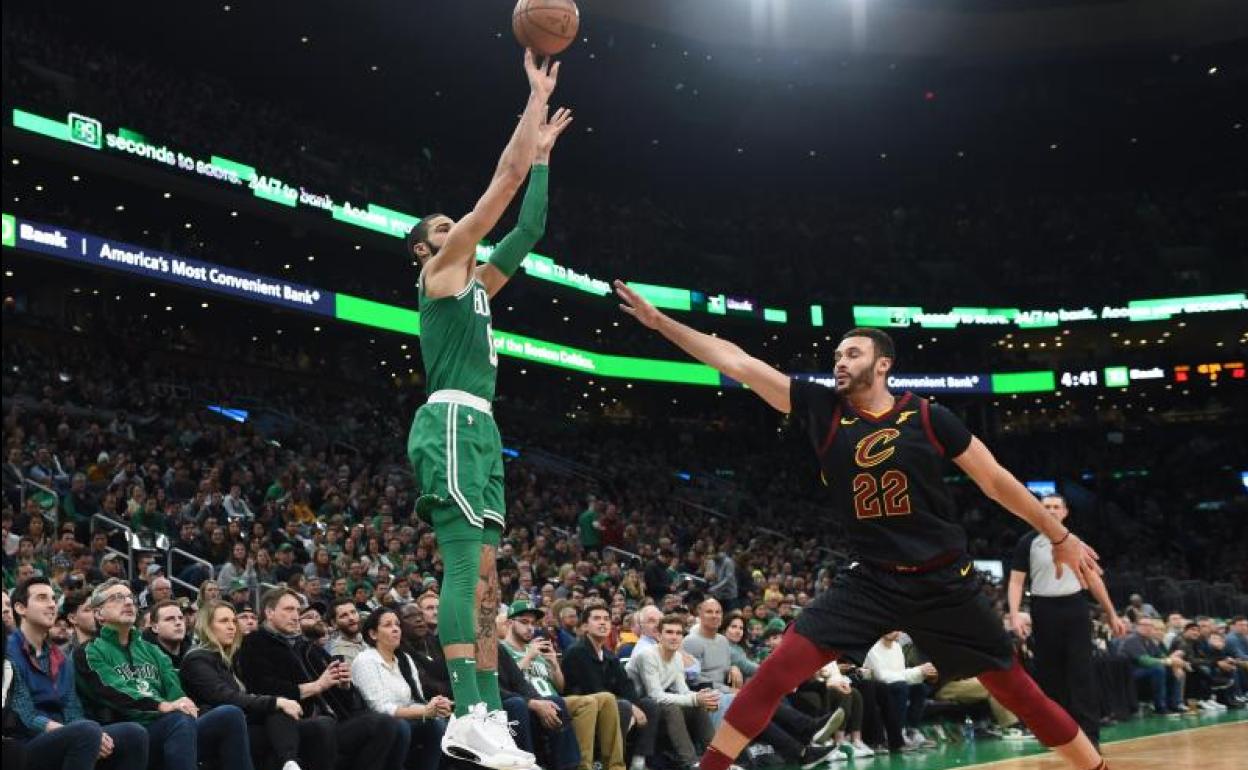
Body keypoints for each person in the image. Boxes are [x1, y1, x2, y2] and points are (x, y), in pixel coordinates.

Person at [611, 292, 1109, 770]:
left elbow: (996, 480)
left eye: (853, 353)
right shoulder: (823, 410)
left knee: (1016, 689)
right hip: (871, 580)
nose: (840, 361)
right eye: (836, 355)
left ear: (883, 363)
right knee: (776, 671)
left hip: (944, 582)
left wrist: (1060, 535)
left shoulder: (929, 417)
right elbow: (739, 362)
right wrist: (663, 325)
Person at [403, 46, 569, 768]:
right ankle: (468, 713)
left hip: (481, 425)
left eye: (453, 226)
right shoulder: (442, 274)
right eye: (440, 228)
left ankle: (486, 714)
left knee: (491, 580)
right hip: (448, 420)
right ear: (422, 251)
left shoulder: (478, 288)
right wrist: (530, 107)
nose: (454, 232)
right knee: (464, 566)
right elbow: (495, 193)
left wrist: (543, 160)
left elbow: (526, 228)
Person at [74, 578, 255, 770]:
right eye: (117, 598)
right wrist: (161, 705)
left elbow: (174, 690)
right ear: (99, 614)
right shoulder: (89, 651)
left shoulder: (152, 651)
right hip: (129, 732)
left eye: (129, 597)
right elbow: (109, 689)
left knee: (229, 714)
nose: (127, 602)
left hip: (171, 727)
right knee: (178, 720)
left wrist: (183, 704)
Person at [234, 587, 407, 770]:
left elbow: (343, 701)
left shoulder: (307, 646)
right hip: (292, 725)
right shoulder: (255, 642)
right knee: (323, 726)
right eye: (289, 609)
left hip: (334, 720)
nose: (295, 616)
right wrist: (316, 686)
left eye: (297, 611)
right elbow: (262, 687)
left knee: (385, 724)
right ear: (269, 612)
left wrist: (344, 686)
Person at [1009, 493, 1128, 748]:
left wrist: (1111, 612)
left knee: (1082, 672)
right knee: (1050, 674)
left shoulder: (1075, 542)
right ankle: (1060, 735)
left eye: (1055, 507)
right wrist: (1015, 612)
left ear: (1065, 512)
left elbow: (1094, 579)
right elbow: (1016, 581)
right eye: (1046, 507)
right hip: (1043, 609)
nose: (1051, 511)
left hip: (1074, 607)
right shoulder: (1027, 542)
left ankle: (1090, 737)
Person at [6, 577, 149, 770]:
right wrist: (80, 730)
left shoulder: (59, 657)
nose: (51, 605)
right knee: (87, 731)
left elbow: (72, 708)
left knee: (133, 733)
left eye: (53, 599)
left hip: (67, 735)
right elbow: (23, 713)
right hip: (24, 744)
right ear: (21, 608)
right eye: (41, 598)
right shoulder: (9, 652)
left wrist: (94, 733)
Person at [181, 600, 326, 770]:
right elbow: (223, 696)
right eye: (223, 621)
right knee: (279, 709)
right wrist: (274, 702)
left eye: (233, 621)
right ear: (207, 626)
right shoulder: (197, 659)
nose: (231, 627)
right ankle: (288, 761)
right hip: (219, 729)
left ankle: (289, 762)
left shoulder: (230, 658)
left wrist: (277, 702)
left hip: (245, 722)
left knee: (314, 724)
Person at [503, 599, 622, 770]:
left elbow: (560, 687)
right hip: (531, 702)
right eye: (524, 622)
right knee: (588, 703)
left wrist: (554, 664)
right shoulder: (503, 649)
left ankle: (616, 766)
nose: (530, 627)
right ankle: (582, 766)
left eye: (533, 623)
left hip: (555, 699)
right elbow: (507, 680)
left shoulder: (536, 650)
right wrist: (528, 657)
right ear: (509, 623)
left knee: (608, 698)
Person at [352, 607, 454, 770]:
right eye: (387, 625)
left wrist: (435, 705)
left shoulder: (404, 659)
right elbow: (380, 708)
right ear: (373, 634)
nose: (395, 629)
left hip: (405, 719)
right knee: (401, 726)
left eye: (397, 624)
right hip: (376, 723)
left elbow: (414, 700)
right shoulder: (365, 660)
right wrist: (424, 711)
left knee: (437, 723)